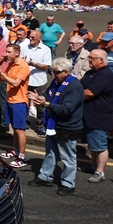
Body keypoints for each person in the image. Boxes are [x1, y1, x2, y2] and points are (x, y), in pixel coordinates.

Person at [26, 58, 84, 195]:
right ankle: (45, 176)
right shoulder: (57, 82)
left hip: (67, 126)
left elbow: (66, 109)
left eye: (56, 72)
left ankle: (68, 184)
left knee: (68, 157)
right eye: (52, 71)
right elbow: (48, 96)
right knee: (50, 152)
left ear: (66, 72)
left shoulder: (74, 87)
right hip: (53, 124)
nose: (53, 74)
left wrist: (45, 104)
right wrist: (39, 97)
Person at [79, 49, 113, 183]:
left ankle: (100, 172)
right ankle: (94, 166)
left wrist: (73, 96)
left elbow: (89, 93)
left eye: (91, 58)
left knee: (100, 145)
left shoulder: (105, 75)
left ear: (101, 60)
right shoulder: (90, 73)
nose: (88, 60)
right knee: (92, 143)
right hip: (88, 114)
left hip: (99, 116)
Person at [0, 44, 30, 168]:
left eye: (9, 52)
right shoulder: (11, 64)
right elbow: (4, 79)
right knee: (14, 128)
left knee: (20, 130)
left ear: (17, 53)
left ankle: (22, 156)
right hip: (10, 100)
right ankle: (15, 150)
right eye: (7, 52)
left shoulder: (23, 66)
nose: (7, 54)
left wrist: (2, 75)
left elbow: (15, 83)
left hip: (19, 102)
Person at [22, 30, 52, 137]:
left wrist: (33, 64)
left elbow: (47, 66)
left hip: (39, 81)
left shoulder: (45, 49)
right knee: (25, 102)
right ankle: (25, 122)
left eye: (33, 37)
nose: (30, 39)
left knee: (40, 104)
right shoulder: (24, 48)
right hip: (26, 80)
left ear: (39, 38)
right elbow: (20, 61)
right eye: (30, 37)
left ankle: (40, 126)